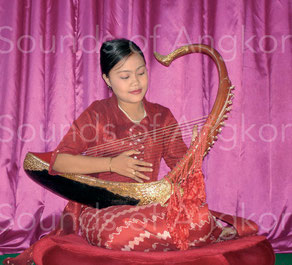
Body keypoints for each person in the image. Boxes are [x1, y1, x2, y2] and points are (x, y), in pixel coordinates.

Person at [4, 38, 225, 265]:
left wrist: (196, 152)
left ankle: (150, 241)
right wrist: (111, 164)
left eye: (141, 73)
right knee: (117, 232)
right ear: (107, 79)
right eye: (125, 76)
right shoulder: (97, 114)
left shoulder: (163, 116)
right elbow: (59, 162)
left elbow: (183, 171)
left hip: (149, 208)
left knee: (199, 220)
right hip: (102, 212)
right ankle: (155, 242)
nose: (136, 82)